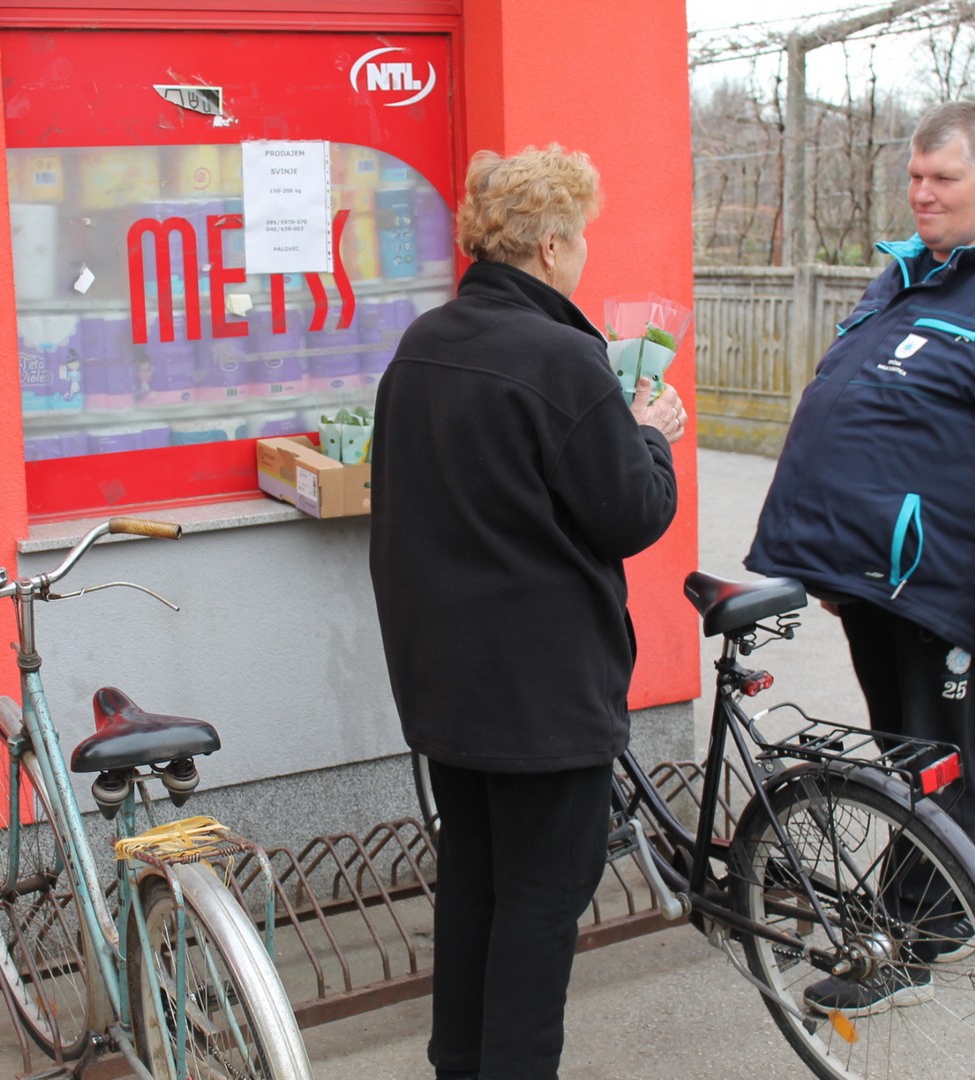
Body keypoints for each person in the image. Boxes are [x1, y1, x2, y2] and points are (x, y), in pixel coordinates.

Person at [745, 102, 975, 1016]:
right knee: (917, 764)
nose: (921, 195)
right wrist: (836, 567)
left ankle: (921, 933)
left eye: (942, 179)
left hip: (949, 593)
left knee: (934, 770)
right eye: (914, 177)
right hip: (878, 584)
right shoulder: (910, 275)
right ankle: (968, 901)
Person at [367, 144, 684, 1080]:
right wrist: (649, 436)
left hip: (446, 688)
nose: (585, 252)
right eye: (580, 235)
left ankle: (456, 1064)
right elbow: (630, 514)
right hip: (543, 698)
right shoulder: (566, 360)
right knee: (542, 909)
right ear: (550, 246)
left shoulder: (422, 344)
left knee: (476, 887)